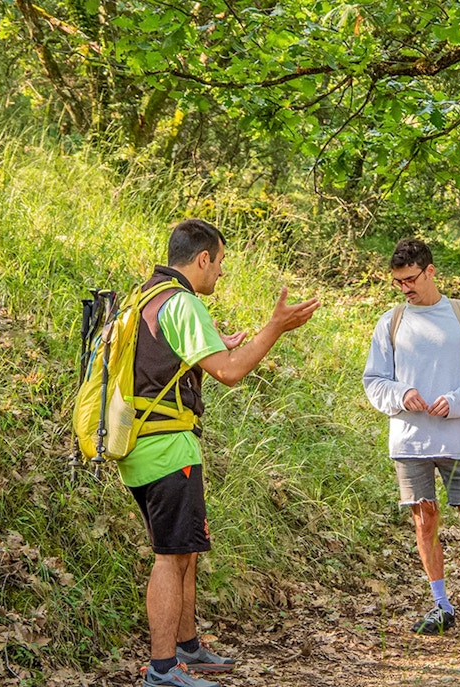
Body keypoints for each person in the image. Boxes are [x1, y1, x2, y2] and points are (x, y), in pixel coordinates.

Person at [123, 219, 319, 687]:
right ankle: (163, 669)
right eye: (221, 263)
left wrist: (217, 345)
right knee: (170, 556)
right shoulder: (184, 303)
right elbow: (229, 373)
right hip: (167, 447)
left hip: (139, 443)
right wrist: (276, 327)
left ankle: (188, 647)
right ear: (203, 258)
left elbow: (167, 359)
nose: (221, 274)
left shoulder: (146, 295)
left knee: (185, 551)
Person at [362, 238, 460, 643]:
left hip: (458, 438)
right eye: (398, 282)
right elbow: (374, 381)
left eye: (411, 279)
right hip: (410, 441)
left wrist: (456, 401)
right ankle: (441, 604)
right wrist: (401, 394)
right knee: (424, 520)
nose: (405, 288)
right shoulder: (391, 321)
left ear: (430, 271)